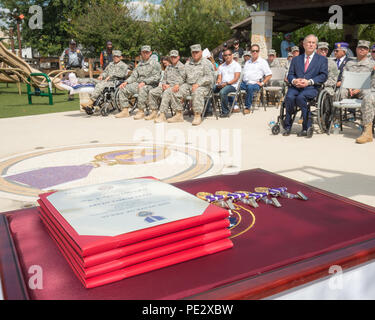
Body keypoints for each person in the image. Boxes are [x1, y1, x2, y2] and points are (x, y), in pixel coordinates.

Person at [283, 34, 328, 138]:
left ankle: (305, 126)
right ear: (303, 44)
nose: (311, 44)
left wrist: (309, 82)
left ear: (316, 45)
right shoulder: (296, 59)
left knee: (300, 97)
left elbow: (323, 76)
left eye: (313, 43)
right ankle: (287, 126)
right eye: (309, 42)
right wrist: (294, 80)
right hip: (296, 86)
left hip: (311, 87)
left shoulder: (322, 60)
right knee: (289, 97)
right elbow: (290, 74)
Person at [171, 44, 214, 126]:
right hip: (189, 85)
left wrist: (198, 83)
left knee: (197, 91)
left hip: (203, 86)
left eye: (197, 52)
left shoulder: (206, 63)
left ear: (201, 52)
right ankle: (178, 114)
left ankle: (197, 115)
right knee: (176, 91)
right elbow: (182, 76)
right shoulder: (188, 64)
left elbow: (210, 77)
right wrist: (177, 84)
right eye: (193, 52)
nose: (195, 54)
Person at [116, 45, 161, 120]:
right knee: (123, 88)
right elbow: (134, 76)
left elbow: (157, 77)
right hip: (139, 84)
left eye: (147, 52)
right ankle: (125, 110)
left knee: (142, 88)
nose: (145, 54)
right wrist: (126, 82)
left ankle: (141, 111)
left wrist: (145, 82)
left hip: (151, 85)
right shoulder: (139, 64)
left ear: (150, 53)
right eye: (143, 52)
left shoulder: (155, 64)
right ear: (141, 53)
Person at [146, 50, 186, 123]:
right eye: (172, 57)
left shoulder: (182, 67)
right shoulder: (168, 67)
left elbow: (182, 79)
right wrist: (164, 84)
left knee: (167, 92)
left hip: (176, 87)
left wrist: (169, 86)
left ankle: (162, 115)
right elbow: (164, 78)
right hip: (166, 86)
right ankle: (154, 112)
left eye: (175, 57)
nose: (173, 58)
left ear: (178, 57)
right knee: (152, 92)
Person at [240, 44, 272, 114]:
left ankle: (247, 107)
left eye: (256, 51)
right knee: (233, 86)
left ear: (259, 51)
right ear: (250, 52)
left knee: (250, 87)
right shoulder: (247, 62)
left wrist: (262, 83)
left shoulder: (263, 62)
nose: (254, 52)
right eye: (253, 51)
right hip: (245, 83)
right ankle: (234, 105)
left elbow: (269, 75)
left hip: (255, 83)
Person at [213, 49, 241, 117]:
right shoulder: (221, 66)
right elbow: (219, 78)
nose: (227, 56)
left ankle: (225, 111)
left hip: (232, 85)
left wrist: (226, 83)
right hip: (223, 84)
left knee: (223, 92)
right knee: (211, 89)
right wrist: (218, 83)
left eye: (229, 55)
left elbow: (236, 79)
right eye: (225, 55)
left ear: (232, 55)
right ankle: (208, 110)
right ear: (223, 56)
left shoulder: (236, 65)